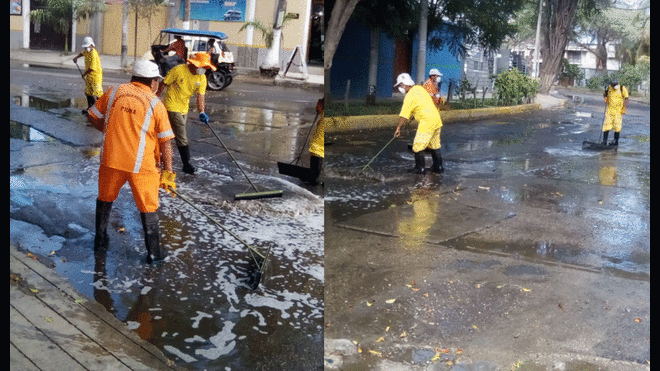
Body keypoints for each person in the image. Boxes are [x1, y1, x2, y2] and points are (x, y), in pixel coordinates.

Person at [87, 59, 176, 263]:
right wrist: (168, 173)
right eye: (157, 82)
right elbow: (166, 143)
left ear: (134, 77)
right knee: (148, 207)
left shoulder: (113, 92)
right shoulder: (155, 103)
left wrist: (107, 129)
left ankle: (100, 241)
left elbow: (92, 115)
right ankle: (154, 253)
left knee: (105, 198)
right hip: (141, 166)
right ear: (152, 82)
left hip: (111, 159)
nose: (158, 86)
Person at [159, 52, 216, 174]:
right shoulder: (178, 70)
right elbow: (163, 84)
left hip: (184, 108)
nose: (204, 70)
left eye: (206, 68)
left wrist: (202, 112)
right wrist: (153, 99)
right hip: (171, 105)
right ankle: (186, 164)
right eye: (203, 67)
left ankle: (159, 155)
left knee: (167, 133)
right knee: (181, 136)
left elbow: (200, 96)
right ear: (195, 64)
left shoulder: (202, 78)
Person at [394, 73, 444, 174]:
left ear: (404, 84)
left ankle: (419, 169)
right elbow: (420, 105)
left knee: (417, 146)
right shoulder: (419, 89)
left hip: (427, 122)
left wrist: (398, 128)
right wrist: (412, 117)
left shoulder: (409, 96)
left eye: (400, 85)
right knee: (434, 145)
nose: (400, 88)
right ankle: (438, 167)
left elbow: (403, 114)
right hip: (436, 119)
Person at [73, 37, 103, 112]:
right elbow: (82, 53)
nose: (86, 48)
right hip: (89, 76)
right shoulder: (87, 51)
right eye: (85, 47)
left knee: (98, 93)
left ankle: (102, 109)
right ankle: (91, 108)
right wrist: (76, 57)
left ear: (91, 45)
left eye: (87, 46)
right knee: (88, 92)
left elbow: (92, 68)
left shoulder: (93, 54)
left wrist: (84, 74)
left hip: (96, 76)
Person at [602, 79, 629, 146]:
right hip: (609, 110)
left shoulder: (622, 88)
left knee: (617, 126)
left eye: (615, 84)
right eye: (613, 85)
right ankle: (604, 141)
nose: (614, 86)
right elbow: (605, 93)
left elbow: (626, 98)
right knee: (606, 125)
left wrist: (624, 108)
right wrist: (605, 98)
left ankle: (615, 141)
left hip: (618, 111)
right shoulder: (608, 87)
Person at [308, 98, 325, 185]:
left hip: (318, 148)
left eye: (318, 105)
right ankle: (315, 177)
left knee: (317, 155)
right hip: (319, 148)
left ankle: (314, 178)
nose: (316, 108)